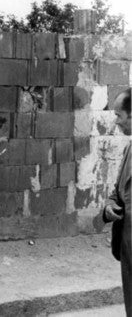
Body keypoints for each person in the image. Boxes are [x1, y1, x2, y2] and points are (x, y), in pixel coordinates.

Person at [103, 88, 131, 315]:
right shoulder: (129, 148)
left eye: (119, 115)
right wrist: (109, 206)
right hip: (128, 246)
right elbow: (119, 192)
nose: (116, 122)